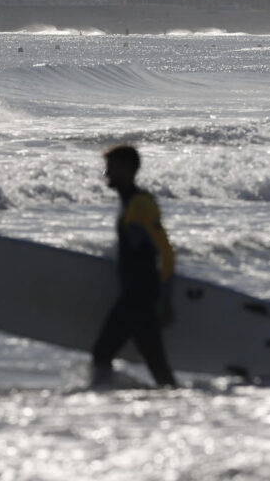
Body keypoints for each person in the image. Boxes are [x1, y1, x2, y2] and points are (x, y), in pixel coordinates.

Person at [91, 145, 177, 387]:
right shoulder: (130, 203)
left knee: (102, 352)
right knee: (157, 364)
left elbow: (166, 253)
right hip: (138, 293)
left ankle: (101, 398)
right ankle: (176, 400)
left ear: (129, 170)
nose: (107, 174)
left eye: (112, 168)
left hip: (139, 295)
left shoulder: (141, 205)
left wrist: (166, 299)